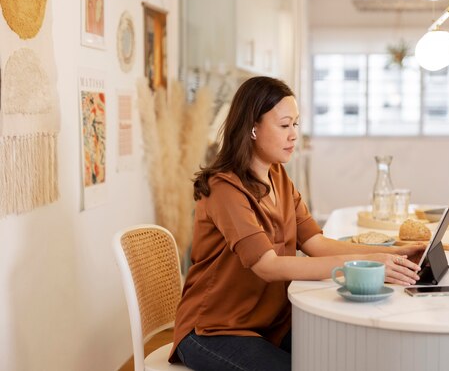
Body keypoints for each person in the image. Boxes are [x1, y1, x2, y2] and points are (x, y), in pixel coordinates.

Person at [169, 76, 424, 371]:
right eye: (284, 125)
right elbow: (268, 266)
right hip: (213, 329)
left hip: (268, 323)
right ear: (253, 127)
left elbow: (315, 243)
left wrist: (394, 255)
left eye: (296, 124)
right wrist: (365, 263)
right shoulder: (225, 188)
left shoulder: (278, 176)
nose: (294, 135)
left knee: (346, 356)